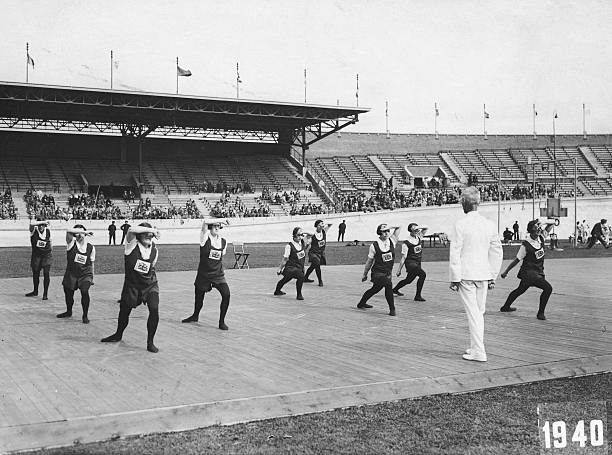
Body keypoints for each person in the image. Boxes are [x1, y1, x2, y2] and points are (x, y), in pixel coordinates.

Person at [449, 187, 503, 362]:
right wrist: (493, 274)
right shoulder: (489, 224)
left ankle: (479, 351)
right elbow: (497, 251)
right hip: (483, 273)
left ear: (464, 203)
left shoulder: (460, 224)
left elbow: (455, 252)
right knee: (478, 312)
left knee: (474, 313)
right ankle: (475, 347)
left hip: (466, 274)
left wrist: (455, 278)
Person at [101, 223, 161, 353]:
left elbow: (152, 266)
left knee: (154, 309)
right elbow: (131, 230)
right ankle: (118, 334)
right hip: (132, 286)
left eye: (150, 234)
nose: (149, 236)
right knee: (124, 311)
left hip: (150, 285)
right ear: (139, 235)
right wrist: (153, 229)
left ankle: (150, 342)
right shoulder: (131, 245)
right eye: (145, 233)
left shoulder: (155, 250)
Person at [500, 219, 555, 320]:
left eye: (539, 229)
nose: (539, 231)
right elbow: (516, 260)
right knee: (548, 288)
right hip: (529, 273)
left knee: (520, 290)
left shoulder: (541, 238)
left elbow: (551, 224)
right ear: (530, 232)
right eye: (536, 230)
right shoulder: (526, 245)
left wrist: (544, 222)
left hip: (538, 272)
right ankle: (540, 313)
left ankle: (505, 307)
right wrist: (505, 272)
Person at [182, 220, 231, 330]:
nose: (217, 228)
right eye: (214, 226)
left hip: (218, 275)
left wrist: (219, 222)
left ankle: (221, 321)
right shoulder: (204, 238)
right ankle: (195, 316)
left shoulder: (224, 241)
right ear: (210, 227)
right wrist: (220, 220)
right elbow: (204, 224)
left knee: (226, 294)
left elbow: (221, 256)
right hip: (204, 274)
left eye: (219, 226)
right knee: (199, 297)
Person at [357, 223, 401, 316]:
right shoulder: (374, 245)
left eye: (387, 231)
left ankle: (361, 303)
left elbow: (399, 227)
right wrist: (365, 274)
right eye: (383, 231)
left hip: (388, 272)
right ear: (379, 232)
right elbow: (369, 261)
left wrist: (389, 227)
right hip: (378, 273)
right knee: (388, 285)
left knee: (375, 289)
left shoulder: (392, 241)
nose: (386, 233)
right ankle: (392, 309)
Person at [58, 225, 95, 323]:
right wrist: (83, 232)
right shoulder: (71, 243)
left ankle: (85, 315)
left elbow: (91, 263)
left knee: (84, 291)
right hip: (71, 273)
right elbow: (68, 231)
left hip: (85, 274)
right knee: (69, 294)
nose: (80, 235)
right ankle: (68, 311)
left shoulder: (91, 247)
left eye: (82, 232)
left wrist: (92, 277)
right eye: (77, 233)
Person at [393, 223, 427, 301]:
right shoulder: (406, 242)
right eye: (414, 229)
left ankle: (394, 289)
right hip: (410, 263)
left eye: (417, 229)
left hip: (417, 263)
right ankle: (417, 296)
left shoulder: (418, 237)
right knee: (422, 274)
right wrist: (399, 270)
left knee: (408, 280)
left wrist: (418, 227)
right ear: (410, 230)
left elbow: (425, 228)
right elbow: (404, 257)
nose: (416, 230)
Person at [274, 227, 311, 300]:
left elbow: (311, 235)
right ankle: (299, 295)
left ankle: (277, 291)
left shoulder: (302, 243)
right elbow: (285, 259)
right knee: (301, 276)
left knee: (286, 279)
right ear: (294, 235)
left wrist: (303, 233)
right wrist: (279, 269)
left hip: (299, 267)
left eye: (301, 235)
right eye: (298, 235)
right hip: (291, 268)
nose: (300, 237)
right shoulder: (289, 246)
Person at [26, 218, 53, 300]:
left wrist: (50, 250)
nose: (40, 227)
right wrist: (42, 222)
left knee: (46, 273)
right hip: (36, 255)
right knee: (36, 273)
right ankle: (35, 291)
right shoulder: (33, 231)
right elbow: (31, 224)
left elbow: (50, 242)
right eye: (39, 225)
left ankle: (45, 294)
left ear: (45, 226)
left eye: (42, 225)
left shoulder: (48, 231)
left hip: (46, 255)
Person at [304, 220, 332, 287]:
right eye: (319, 225)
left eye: (322, 225)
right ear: (316, 226)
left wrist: (324, 224)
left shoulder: (324, 231)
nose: (321, 226)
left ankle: (305, 278)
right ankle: (320, 281)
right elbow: (307, 245)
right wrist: (304, 251)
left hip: (320, 253)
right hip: (313, 253)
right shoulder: (313, 234)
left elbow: (330, 223)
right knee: (317, 264)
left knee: (313, 266)